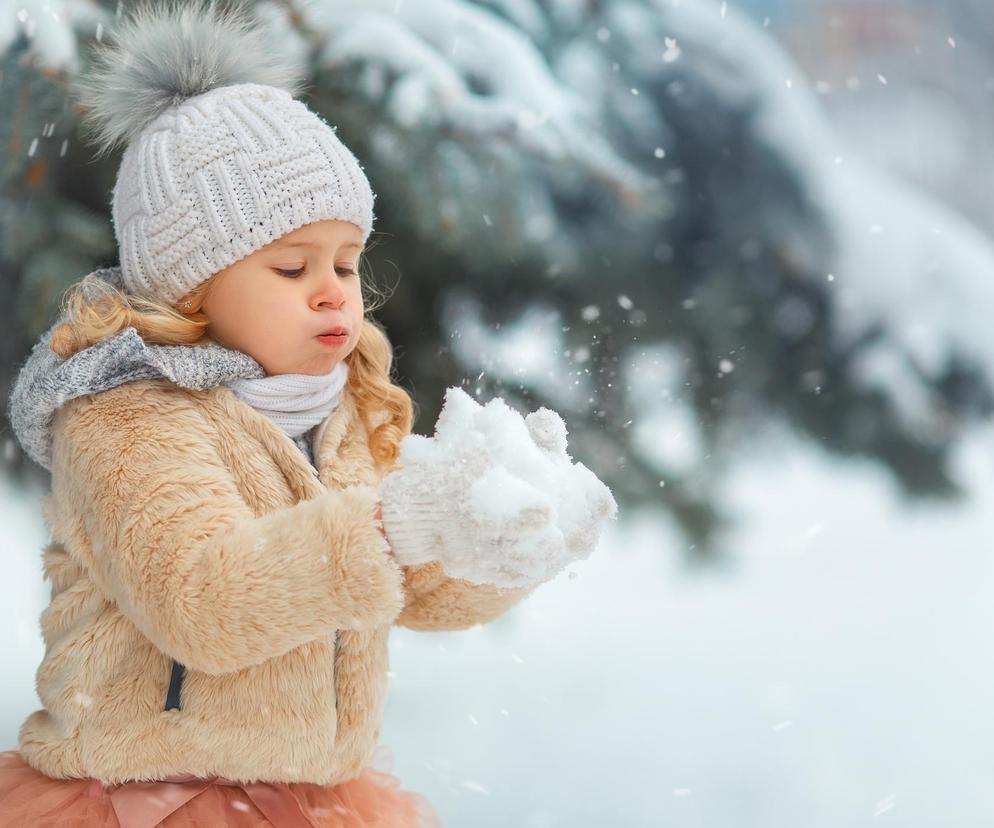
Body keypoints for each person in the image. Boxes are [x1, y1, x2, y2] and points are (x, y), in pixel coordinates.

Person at [0, 0, 617, 825]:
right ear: (190, 286)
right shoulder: (126, 415)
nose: (334, 290)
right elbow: (203, 598)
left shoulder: (339, 410)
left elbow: (411, 586)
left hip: (311, 799)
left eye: (346, 262)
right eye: (291, 267)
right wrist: (396, 524)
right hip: (149, 800)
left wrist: (501, 539)